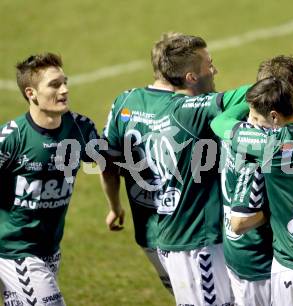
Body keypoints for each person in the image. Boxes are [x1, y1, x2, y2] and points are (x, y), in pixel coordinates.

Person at [122, 33, 250, 306]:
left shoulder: (156, 108)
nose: (215, 70)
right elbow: (249, 96)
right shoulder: (189, 112)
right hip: (196, 244)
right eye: (209, 64)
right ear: (191, 76)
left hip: (175, 237)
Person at [211, 76, 293, 306]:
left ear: (273, 116)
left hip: (290, 265)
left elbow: (220, 124)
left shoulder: (266, 145)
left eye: (254, 118)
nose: (252, 124)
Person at [0, 53, 99, 306]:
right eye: (54, 85)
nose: (64, 89)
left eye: (64, 82)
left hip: (49, 249)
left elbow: (107, 163)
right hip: (14, 251)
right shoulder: (12, 138)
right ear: (31, 93)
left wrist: (115, 205)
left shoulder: (80, 128)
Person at [219, 55, 293, 306]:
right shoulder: (260, 145)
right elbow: (240, 222)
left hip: (246, 253)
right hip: (257, 260)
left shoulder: (242, 129)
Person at [100, 32, 183, 295]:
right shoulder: (191, 105)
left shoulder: (124, 101)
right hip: (190, 236)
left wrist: (114, 207)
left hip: (149, 234)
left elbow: (107, 164)